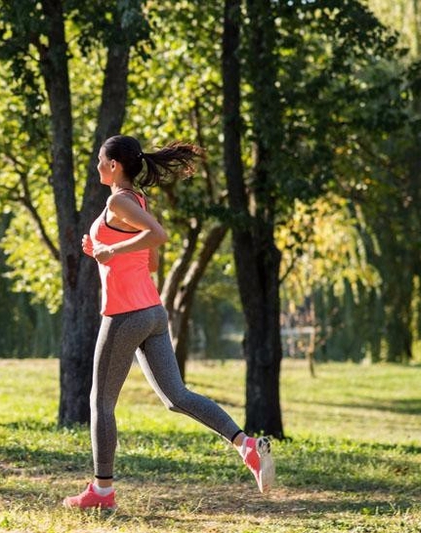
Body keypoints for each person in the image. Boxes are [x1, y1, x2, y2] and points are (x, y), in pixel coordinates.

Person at [63, 135, 275, 511]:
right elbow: (153, 261)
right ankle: (246, 445)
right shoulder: (137, 201)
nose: (97, 166)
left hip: (125, 314)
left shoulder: (118, 201)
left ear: (115, 166)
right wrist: (102, 251)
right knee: (177, 397)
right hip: (153, 314)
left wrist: (110, 249)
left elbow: (158, 236)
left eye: (100, 160)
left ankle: (102, 491)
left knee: (100, 401)